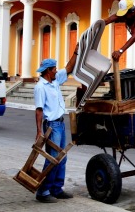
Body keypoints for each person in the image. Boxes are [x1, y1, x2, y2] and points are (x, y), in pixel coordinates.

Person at [34, 48, 78, 203]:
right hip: (52, 126)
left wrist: (76, 53)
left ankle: (56, 189)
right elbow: (39, 110)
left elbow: (68, 68)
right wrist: (39, 131)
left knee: (62, 158)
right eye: (54, 69)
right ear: (48, 71)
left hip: (60, 122)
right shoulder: (41, 87)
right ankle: (43, 191)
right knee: (52, 159)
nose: (56, 71)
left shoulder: (55, 80)